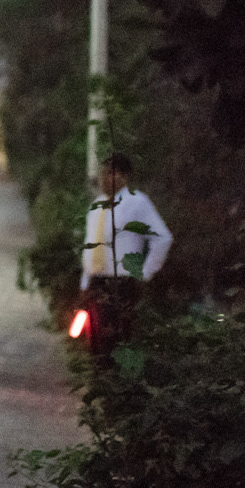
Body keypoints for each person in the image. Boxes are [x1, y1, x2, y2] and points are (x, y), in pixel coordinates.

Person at [80, 152, 173, 357]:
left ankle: (116, 385)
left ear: (124, 176)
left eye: (111, 173)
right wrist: (86, 282)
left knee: (116, 342)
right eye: (103, 173)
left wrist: (144, 272)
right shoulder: (96, 207)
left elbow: (162, 238)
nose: (105, 178)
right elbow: (91, 245)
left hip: (121, 283)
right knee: (96, 343)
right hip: (98, 282)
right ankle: (100, 381)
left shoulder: (137, 203)